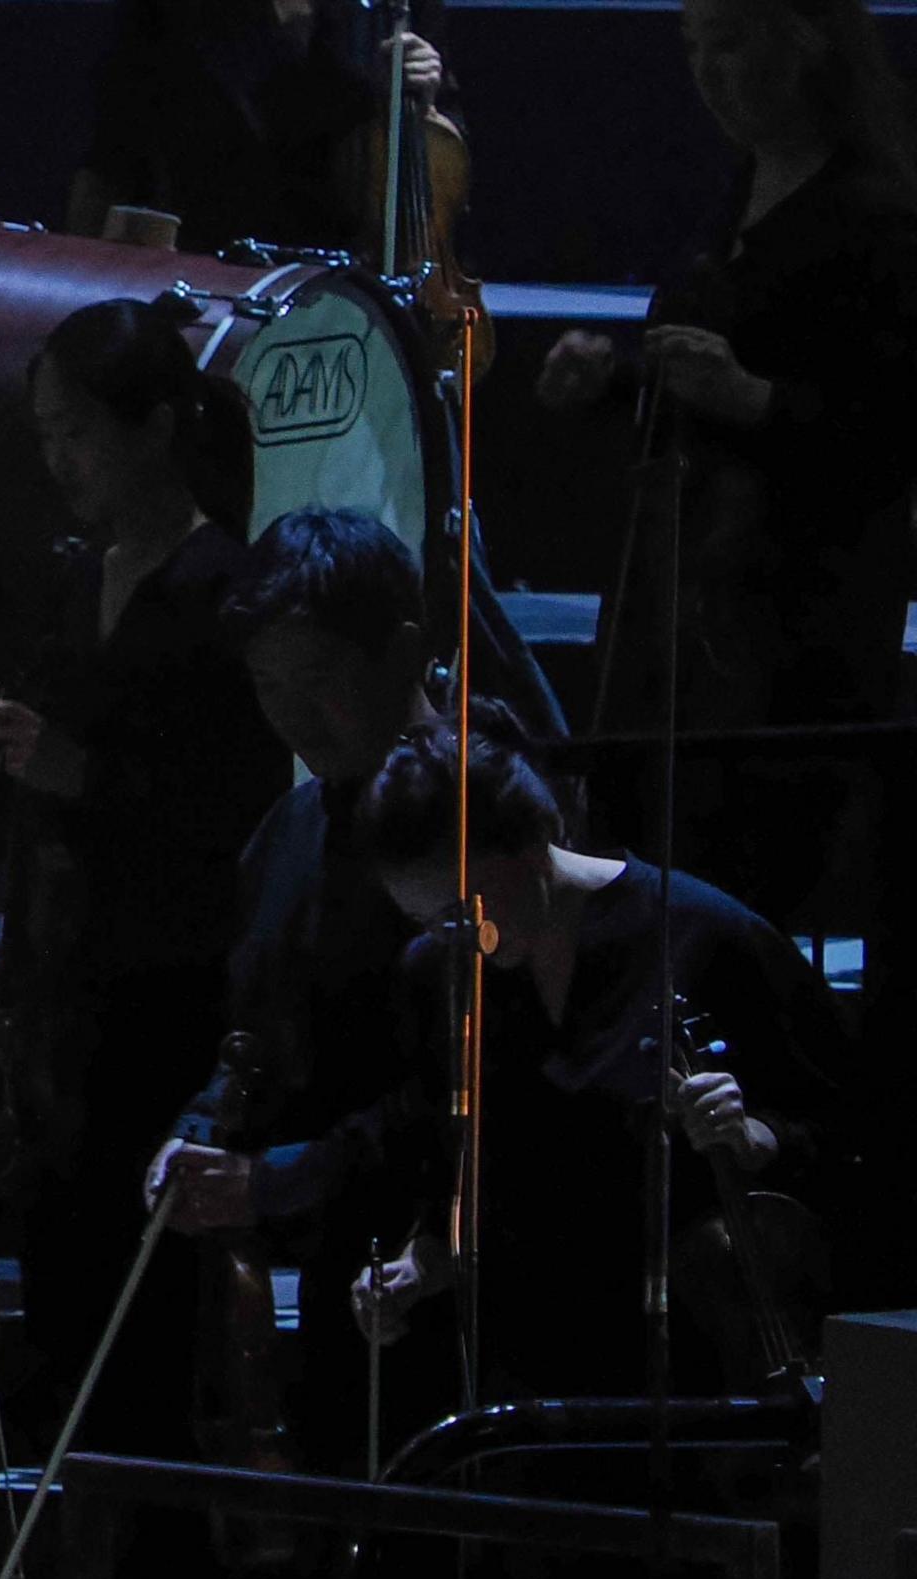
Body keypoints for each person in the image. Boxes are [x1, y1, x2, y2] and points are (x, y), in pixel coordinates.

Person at [0, 298, 295, 1579]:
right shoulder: (73, 578)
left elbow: (226, 805)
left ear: (158, 428)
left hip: (164, 986)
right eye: (43, 437)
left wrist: (82, 779)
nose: (62, 462)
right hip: (64, 979)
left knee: (145, 1313)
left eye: (79, 434)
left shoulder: (225, 591)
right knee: (60, 1292)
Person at [344, 726, 852, 1400]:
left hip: (695, 1370)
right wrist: (416, 1267)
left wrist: (755, 1135)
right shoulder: (435, 973)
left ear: (533, 846)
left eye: (464, 911)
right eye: (429, 922)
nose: (457, 939)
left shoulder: (703, 934)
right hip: (526, 1378)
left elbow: (850, 1137)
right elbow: (450, 1178)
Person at [146, 510, 471, 1470]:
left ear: (403, 652)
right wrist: (198, 1135)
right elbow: (254, 1034)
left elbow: (460, 1091)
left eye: (318, 681)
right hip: (339, 1261)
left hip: (451, 1269)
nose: (290, 715)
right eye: (266, 685)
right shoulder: (289, 829)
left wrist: (277, 1178)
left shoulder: (477, 817)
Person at [539, 0, 917, 744]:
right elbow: (708, 388)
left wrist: (756, 399)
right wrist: (613, 382)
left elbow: (886, 433)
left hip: (796, 631)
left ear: (804, 46)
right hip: (681, 610)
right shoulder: (738, 189)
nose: (707, 73)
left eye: (731, 45)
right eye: (694, 47)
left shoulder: (879, 218)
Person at [68, 0, 453, 253]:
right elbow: (112, 158)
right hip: (211, 269)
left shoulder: (392, 9)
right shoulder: (171, 14)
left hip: (353, 275)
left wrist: (423, 102)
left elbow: (448, 151)